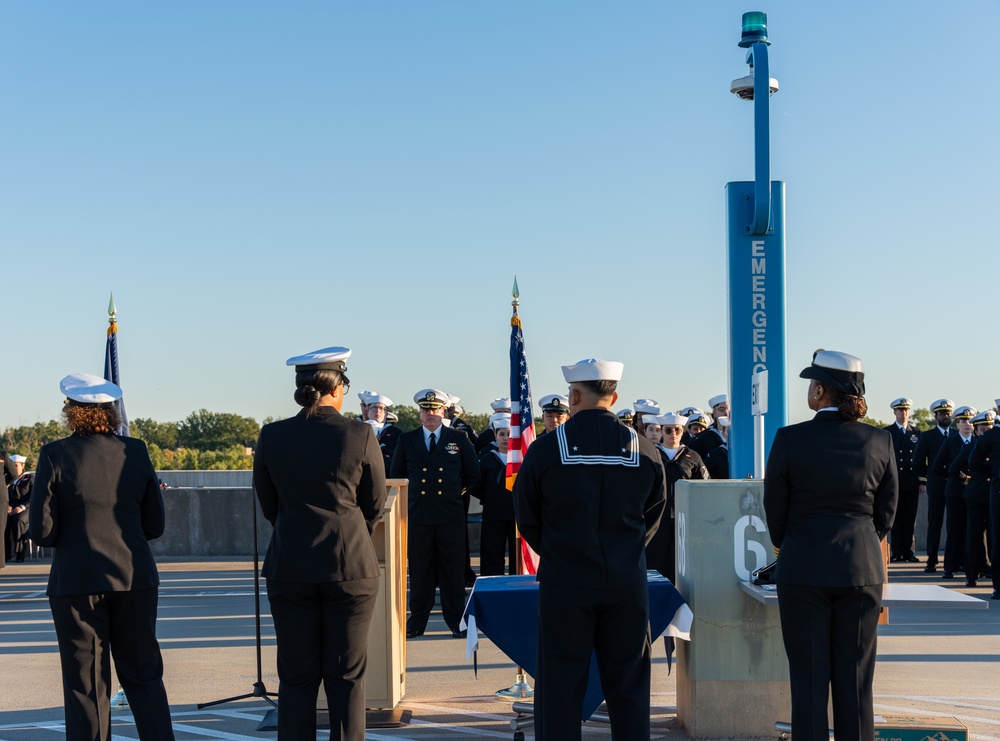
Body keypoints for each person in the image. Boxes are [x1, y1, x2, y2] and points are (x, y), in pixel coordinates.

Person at [514, 357, 666, 741]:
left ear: (575, 394)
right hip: (626, 583)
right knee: (629, 689)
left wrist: (558, 551)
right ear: (614, 397)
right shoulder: (647, 451)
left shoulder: (546, 451)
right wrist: (624, 553)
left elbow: (528, 517)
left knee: (560, 688)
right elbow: (653, 517)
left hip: (566, 582)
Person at [29, 373, 175, 741]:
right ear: (111, 412)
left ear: (72, 413)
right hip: (132, 576)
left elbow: (42, 531)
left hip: (77, 580)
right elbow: (154, 524)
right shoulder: (136, 451)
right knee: (144, 676)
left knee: (87, 685)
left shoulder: (54, 454)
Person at [253, 346, 386, 741]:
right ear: (337, 387)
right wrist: (347, 532)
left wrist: (298, 528)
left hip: (290, 568)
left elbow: (269, 504)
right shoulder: (359, 434)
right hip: (349, 570)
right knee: (346, 680)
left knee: (296, 679)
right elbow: (374, 504)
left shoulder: (273, 435)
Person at [764, 350, 897, 741]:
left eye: (811, 384)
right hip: (861, 569)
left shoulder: (790, 439)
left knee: (808, 681)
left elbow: (776, 512)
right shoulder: (880, 440)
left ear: (821, 391)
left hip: (803, 568)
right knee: (855, 681)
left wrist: (793, 546)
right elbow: (886, 513)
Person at [390, 388, 479, 638]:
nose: (430, 414)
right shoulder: (407, 440)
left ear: (443, 411)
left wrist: (453, 493)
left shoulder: (458, 439)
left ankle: (456, 621)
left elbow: (473, 474)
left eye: (435, 409)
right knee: (420, 570)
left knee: (452, 570)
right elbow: (397, 475)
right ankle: (417, 621)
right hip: (419, 516)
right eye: (426, 409)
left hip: (449, 515)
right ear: (419, 413)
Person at [645, 412, 708, 582]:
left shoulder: (693, 456)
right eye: (668, 430)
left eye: (677, 430)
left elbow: (704, 485)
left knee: (683, 560)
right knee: (656, 560)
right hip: (658, 516)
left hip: (685, 516)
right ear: (661, 432)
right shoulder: (652, 455)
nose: (673, 434)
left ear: (683, 432)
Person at [932, 405, 977, 579]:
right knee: (954, 529)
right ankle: (949, 566)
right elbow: (937, 467)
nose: (967, 425)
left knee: (970, 530)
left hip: (973, 493)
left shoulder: (977, 442)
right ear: (957, 424)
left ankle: (968, 564)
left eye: (970, 421)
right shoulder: (950, 441)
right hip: (955, 492)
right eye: (963, 421)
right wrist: (955, 478)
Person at [470, 412, 516, 575]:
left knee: (516, 553)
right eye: (501, 434)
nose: (505, 438)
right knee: (492, 550)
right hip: (493, 512)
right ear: (495, 435)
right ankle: (491, 582)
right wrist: (489, 497)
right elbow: (476, 484)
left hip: (516, 512)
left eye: (509, 434)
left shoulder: (520, 458)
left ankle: (517, 583)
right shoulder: (487, 459)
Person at [912, 398, 954, 573]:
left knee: (954, 524)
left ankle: (954, 560)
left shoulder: (956, 434)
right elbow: (918, 462)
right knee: (934, 523)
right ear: (935, 415)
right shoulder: (928, 436)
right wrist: (931, 474)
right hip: (937, 484)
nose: (946, 416)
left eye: (948, 413)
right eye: (943, 413)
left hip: (955, 484)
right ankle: (932, 559)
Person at [885, 398, 922, 563]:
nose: (903, 413)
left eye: (906, 410)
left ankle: (908, 551)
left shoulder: (916, 433)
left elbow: (920, 460)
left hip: (911, 482)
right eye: (900, 410)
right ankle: (896, 551)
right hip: (894, 482)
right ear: (894, 412)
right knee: (895, 518)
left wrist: (922, 481)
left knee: (909, 518)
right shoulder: (887, 432)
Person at [969, 406, 1000, 599]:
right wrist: (993, 473)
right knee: (998, 539)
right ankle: (999, 585)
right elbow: (974, 460)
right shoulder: (992, 435)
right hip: (998, 490)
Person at [962, 411, 994, 587]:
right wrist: (968, 481)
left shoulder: (995, 446)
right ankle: (971, 574)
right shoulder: (969, 447)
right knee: (974, 536)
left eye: (988, 429)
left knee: (993, 537)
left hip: (992, 495)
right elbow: (954, 469)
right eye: (982, 430)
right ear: (975, 431)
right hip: (975, 496)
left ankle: (991, 569)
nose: (985, 433)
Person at [5, 455, 31, 562]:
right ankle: (5, 555)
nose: (14, 468)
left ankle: (20, 554)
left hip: (26, 508)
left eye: (16, 465)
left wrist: (22, 507)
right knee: (4, 520)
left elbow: (34, 496)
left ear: (23, 466)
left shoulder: (29, 479)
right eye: (12, 466)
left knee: (19, 520)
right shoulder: (8, 479)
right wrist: (6, 506)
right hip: (10, 509)